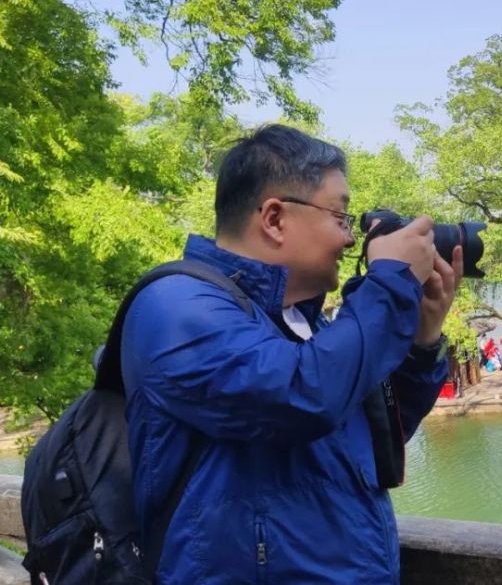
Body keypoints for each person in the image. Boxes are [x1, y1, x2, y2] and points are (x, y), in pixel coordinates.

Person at [120, 125, 462, 583]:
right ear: (275, 219)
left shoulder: (305, 325)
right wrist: (389, 282)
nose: (349, 239)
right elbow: (301, 397)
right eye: (340, 217)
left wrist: (421, 339)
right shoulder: (176, 309)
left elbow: (376, 439)